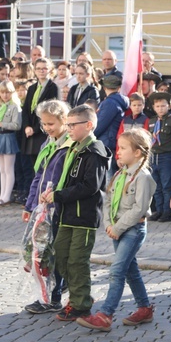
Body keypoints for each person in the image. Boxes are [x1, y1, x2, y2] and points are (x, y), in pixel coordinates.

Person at [77, 129, 156, 332]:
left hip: (133, 229)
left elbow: (139, 208)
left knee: (117, 271)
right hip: (117, 229)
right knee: (131, 271)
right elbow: (109, 199)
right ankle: (145, 308)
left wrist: (118, 227)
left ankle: (105, 314)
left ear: (137, 152)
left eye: (123, 148)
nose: (118, 152)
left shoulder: (143, 177)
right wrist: (108, 225)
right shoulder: (121, 173)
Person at [40, 104, 112, 321]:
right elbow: (67, 180)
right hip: (66, 214)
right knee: (61, 257)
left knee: (77, 261)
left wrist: (59, 195)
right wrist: (54, 192)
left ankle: (81, 303)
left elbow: (90, 186)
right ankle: (75, 296)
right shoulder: (74, 148)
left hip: (84, 217)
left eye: (73, 125)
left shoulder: (94, 151)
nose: (69, 129)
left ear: (88, 125)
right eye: (68, 125)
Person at [22, 99, 72, 315]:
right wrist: (30, 204)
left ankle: (53, 297)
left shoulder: (69, 145)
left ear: (63, 120)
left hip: (58, 207)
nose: (47, 128)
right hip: (42, 207)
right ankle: (49, 293)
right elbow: (39, 176)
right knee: (40, 252)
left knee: (53, 253)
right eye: (44, 124)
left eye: (51, 124)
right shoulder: (47, 144)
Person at [148, 93, 171, 222]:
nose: (160, 109)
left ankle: (167, 212)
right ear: (154, 107)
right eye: (157, 106)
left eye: (163, 106)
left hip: (166, 157)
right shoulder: (152, 121)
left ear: (169, 106)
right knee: (156, 186)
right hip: (154, 156)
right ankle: (158, 210)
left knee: (166, 185)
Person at [0, 81, 22, 207]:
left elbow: (17, 125)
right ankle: (2, 195)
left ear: (12, 93)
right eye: (2, 92)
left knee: (8, 169)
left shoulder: (15, 106)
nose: (5, 95)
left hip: (8, 136)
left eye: (8, 92)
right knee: (1, 169)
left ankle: (7, 196)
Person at [22, 58, 59, 168]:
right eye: (38, 69)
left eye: (44, 68)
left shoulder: (53, 87)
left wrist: (36, 128)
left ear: (50, 70)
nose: (41, 71)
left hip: (43, 131)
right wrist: (27, 126)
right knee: (34, 166)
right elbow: (26, 109)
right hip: (30, 132)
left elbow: (52, 112)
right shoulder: (32, 88)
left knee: (44, 166)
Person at [95, 75, 130, 171]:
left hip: (106, 144)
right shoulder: (118, 102)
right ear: (119, 88)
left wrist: (89, 136)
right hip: (111, 143)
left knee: (107, 178)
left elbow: (100, 125)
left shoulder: (109, 103)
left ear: (104, 87)